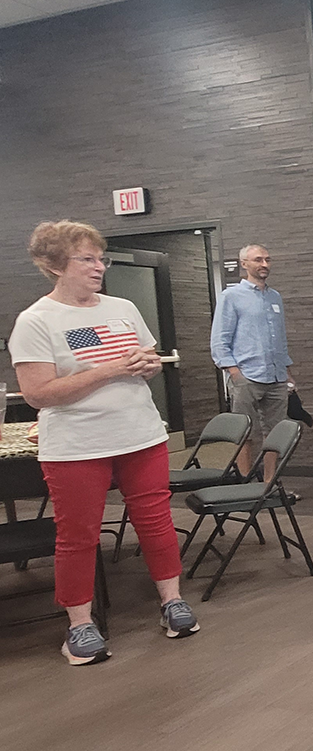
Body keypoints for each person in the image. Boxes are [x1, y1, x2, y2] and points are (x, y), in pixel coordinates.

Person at [9, 221, 199, 666]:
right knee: (77, 535)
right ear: (55, 265)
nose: (99, 267)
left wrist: (146, 365)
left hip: (140, 434)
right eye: (87, 259)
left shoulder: (122, 307)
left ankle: (172, 603)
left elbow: (147, 358)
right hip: (76, 445)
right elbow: (38, 393)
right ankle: (79, 625)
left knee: (155, 521)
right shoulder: (36, 321)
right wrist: (113, 369)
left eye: (101, 258)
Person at [210, 243, 294, 480]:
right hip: (246, 375)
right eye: (258, 260)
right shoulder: (231, 296)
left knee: (276, 433)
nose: (264, 264)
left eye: (267, 259)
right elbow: (220, 339)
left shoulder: (275, 297)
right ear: (244, 264)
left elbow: (280, 338)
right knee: (244, 431)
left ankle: (269, 483)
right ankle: (245, 483)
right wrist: (234, 372)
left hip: (276, 376)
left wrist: (287, 372)